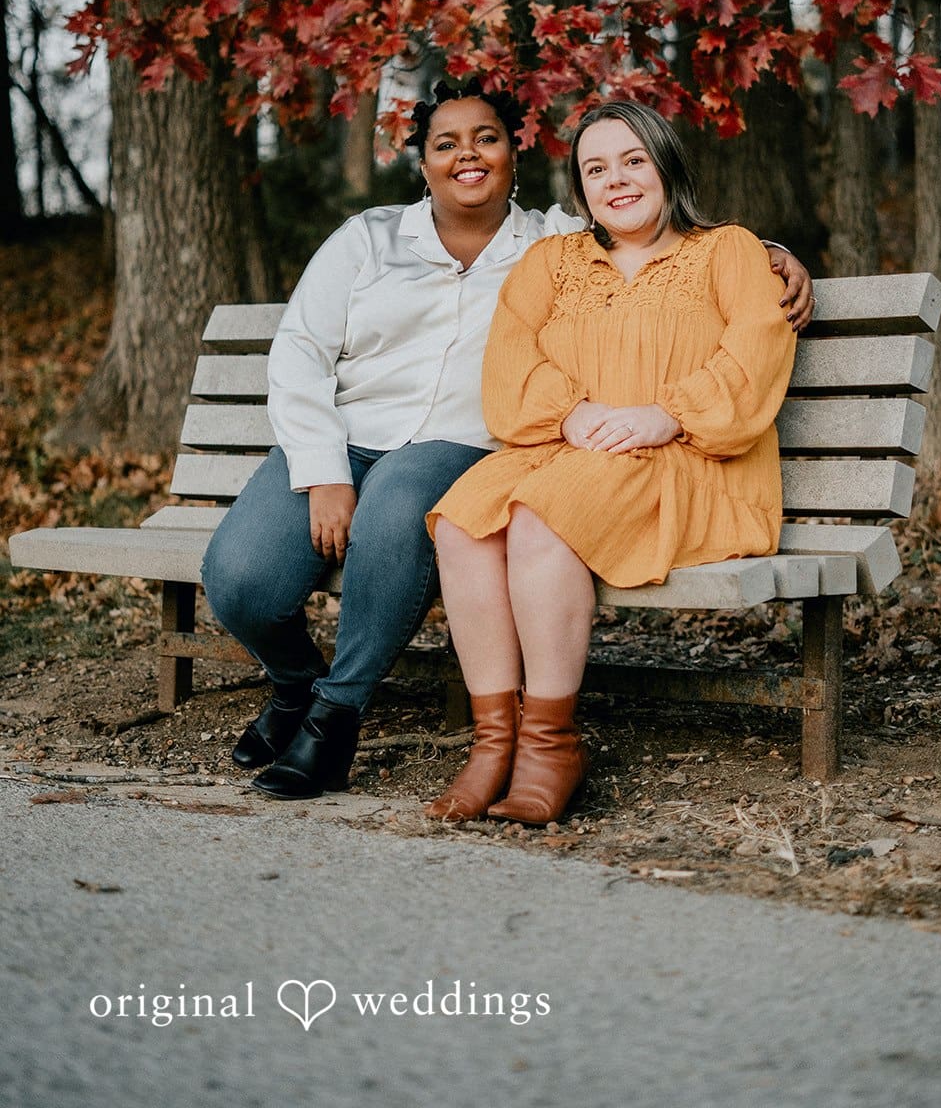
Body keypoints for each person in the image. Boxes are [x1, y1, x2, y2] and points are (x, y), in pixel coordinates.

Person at [202, 81, 813, 801]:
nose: (468, 154)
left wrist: (767, 254)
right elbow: (306, 350)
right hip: (356, 436)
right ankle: (321, 697)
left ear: (514, 155)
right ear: (421, 163)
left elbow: (687, 257)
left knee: (411, 511)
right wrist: (321, 466)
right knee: (247, 578)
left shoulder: (557, 238)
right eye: (445, 143)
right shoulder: (386, 240)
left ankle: (347, 721)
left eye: (486, 138)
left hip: (481, 449)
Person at [426, 100, 799, 827]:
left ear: (665, 165)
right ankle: (490, 743)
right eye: (596, 168)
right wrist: (568, 412)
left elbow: (756, 350)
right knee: (462, 522)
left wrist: (669, 415)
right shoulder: (550, 262)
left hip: (691, 458)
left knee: (539, 520)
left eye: (632, 160)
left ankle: (550, 744)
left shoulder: (726, 250)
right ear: (579, 188)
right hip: (576, 450)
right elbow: (508, 366)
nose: (616, 179)